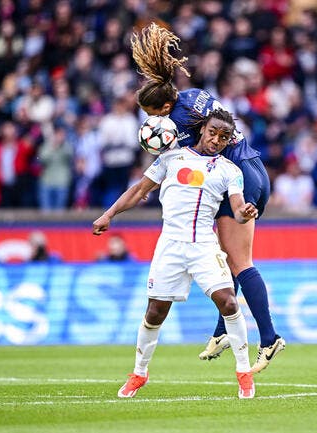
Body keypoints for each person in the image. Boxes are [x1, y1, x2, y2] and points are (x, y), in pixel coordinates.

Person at [130, 23, 285, 373]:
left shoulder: (178, 123)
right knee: (227, 260)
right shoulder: (194, 95)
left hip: (238, 176)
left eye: (154, 115)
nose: (154, 121)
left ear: (165, 105)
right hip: (254, 166)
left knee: (241, 262)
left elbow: (184, 158)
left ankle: (271, 338)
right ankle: (221, 331)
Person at [93, 109, 257, 399]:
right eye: (213, 133)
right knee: (155, 312)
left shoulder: (230, 171)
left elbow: (239, 207)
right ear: (202, 129)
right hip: (170, 245)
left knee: (229, 302)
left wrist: (245, 214)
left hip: (204, 245)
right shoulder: (170, 158)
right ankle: (139, 373)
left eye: (224, 137)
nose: (217, 140)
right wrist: (109, 215)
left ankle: (244, 373)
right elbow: (139, 190)